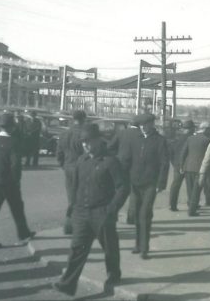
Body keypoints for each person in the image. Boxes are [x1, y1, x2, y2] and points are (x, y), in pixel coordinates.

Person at [52, 124, 128, 297]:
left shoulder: (111, 161)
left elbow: (123, 188)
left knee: (109, 248)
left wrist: (111, 209)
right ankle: (67, 284)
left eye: (88, 141)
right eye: (83, 142)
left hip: (102, 213)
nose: (85, 145)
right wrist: (73, 210)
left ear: (99, 140)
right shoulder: (82, 161)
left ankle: (113, 274)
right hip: (82, 212)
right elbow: (76, 187)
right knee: (77, 249)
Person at [121, 113, 169, 259]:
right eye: (141, 126)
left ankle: (145, 248)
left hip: (150, 184)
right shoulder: (136, 139)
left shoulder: (160, 141)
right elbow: (127, 160)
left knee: (144, 214)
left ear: (152, 124)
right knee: (136, 214)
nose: (143, 128)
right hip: (135, 183)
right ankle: (137, 244)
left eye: (145, 125)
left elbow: (164, 163)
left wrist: (161, 183)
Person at [0, 113, 34, 249]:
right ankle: (23, 233)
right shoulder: (13, 142)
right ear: (11, 127)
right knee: (17, 208)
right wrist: (16, 180)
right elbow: (15, 164)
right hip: (9, 182)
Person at [57, 110, 88, 235]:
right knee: (82, 197)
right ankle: (80, 224)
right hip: (82, 168)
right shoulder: (84, 133)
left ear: (72, 119)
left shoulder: (64, 133)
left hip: (68, 167)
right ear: (84, 119)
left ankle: (69, 224)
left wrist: (63, 165)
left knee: (71, 196)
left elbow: (59, 153)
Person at [181, 121, 210, 217]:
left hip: (188, 167)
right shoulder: (207, 140)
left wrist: (182, 166)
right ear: (205, 129)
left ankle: (191, 205)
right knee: (197, 190)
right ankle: (192, 210)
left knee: (190, 189)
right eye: (209, 129)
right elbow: (209, 156)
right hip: (200, 169)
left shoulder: (190, 138)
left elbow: (183, 153)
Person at [117, 116, 142, 225]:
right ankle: (132, 218)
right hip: (136, 166)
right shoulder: (141, 135)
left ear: (129, 124)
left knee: (120, 191)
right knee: (135, 192)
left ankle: (112, 213)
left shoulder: (121, 133)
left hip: (121, 166)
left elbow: (111, 146)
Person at [168, 120, 194, 212]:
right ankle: (192, 204)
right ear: (191, 129)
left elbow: (170, 152)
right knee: (191, 186)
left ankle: (172, 204)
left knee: (175, 185)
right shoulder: (191, 139)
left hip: (177, 165)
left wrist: (174, 163)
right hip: (188, 165)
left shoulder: (177, 139)